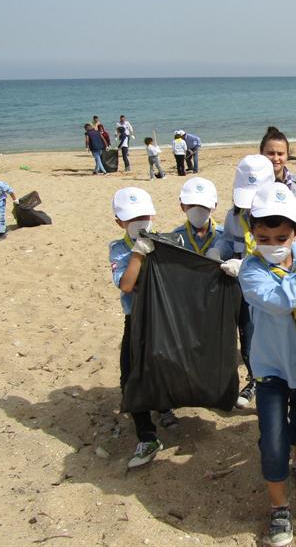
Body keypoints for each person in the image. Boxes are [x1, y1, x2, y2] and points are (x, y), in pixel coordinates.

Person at [235, 182, 296, 547]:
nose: (273, 244)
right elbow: (283, 301)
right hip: (270, 370)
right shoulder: (251, 270)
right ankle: (279, 508)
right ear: (253, 234)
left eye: (281, 236)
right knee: (273, 441)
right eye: (264, 237)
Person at [109, 187, 177, 468]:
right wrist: (137, 254)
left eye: (143, 216)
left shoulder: (165, 242)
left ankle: (165, 406)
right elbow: (126, 285)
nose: (139, 222)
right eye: (131, 218)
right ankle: (147, 435)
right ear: (119, 222)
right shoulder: (118, 248)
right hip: (135, 321)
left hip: (161, 319)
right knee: (131, 377)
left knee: (164, 365)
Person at [219, 154, 277, 408]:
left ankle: (276, 385)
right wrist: (218, 251)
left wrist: (247, 266)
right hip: (243, 290)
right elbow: (229, 241)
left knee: (274, 338)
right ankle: (255, 379)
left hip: (271, 288)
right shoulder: (234, 217)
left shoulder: (280, 216)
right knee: (249, 334)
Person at [260, 126, 296, 235]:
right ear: (261, 154)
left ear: (287, 156)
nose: (276, 158)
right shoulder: (251, 185)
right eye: (271, 153)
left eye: (280, 154)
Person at [171, 177, 225, 260]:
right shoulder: (175, 239)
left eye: (203, 205)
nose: (197, 210)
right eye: (191, 205)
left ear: (214, 206)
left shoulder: (225, 237)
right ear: (182, 206)